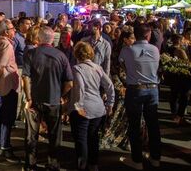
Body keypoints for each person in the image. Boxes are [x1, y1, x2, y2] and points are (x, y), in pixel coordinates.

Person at [22, 26, 73, 171]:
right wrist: (60, 95)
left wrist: (28, 97)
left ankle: (30, 164)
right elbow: (69, 83)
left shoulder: (31, 54)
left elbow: (25, 77)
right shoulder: (61, 56)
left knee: (32, 134)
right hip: (53, 100)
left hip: (35, 100)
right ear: (52, 39)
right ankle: (53, 163)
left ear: (39, 38)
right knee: (54, 134)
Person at [118, 23, 161, 170]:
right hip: (153, 89)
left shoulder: (127, 50)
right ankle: (155, 158)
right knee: (153, 125)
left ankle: (137, 161)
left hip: (135, 89)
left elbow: (121, 64)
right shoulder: (155, 49)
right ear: (148, 35)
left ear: (135, 35)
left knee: (134, 125)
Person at [69, 42, 114, 171]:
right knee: (93, 138)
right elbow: (109, 86)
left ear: (77, 54)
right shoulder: (98, 68)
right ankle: (93, 165)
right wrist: (110, 103)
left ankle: (82, 166)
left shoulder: (77, 69)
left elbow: (80, 89)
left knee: (81, 140)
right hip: (98, 108)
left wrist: (78, 106)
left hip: (84, 109)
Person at [0, 19, 21, 164]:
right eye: (13, 28)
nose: (15, 31)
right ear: (6, 31)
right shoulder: (6, 44)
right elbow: (1, 66)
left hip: (0, 86)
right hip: (7, 85)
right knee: (7, 117)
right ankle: (5, 146)